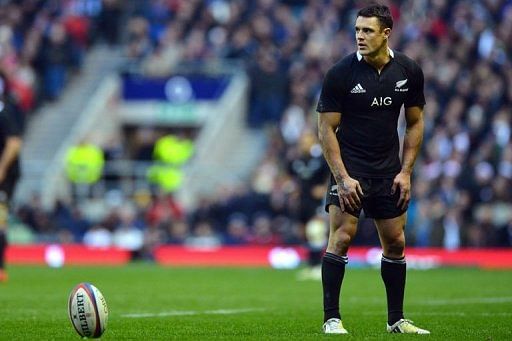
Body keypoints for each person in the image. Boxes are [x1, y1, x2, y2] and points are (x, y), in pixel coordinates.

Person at [316, 4, 429, 335]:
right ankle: (331, 319)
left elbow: (415, 122)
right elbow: (326, 130)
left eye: (367, 30)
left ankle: (396, 320)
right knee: (341, 237)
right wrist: (342, 178)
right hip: (349, 168)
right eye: (356, 30)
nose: (359, 36)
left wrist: (406, 171)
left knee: (395, 243)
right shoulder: (340, 73)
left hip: (388, 169)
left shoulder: (408, 71)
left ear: (385, 34)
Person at [0, 73, 23, 282]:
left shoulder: (4, 112)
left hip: (5, 177)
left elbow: (14, 143)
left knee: (0, 218)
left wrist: (2, 168)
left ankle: (1, 267)